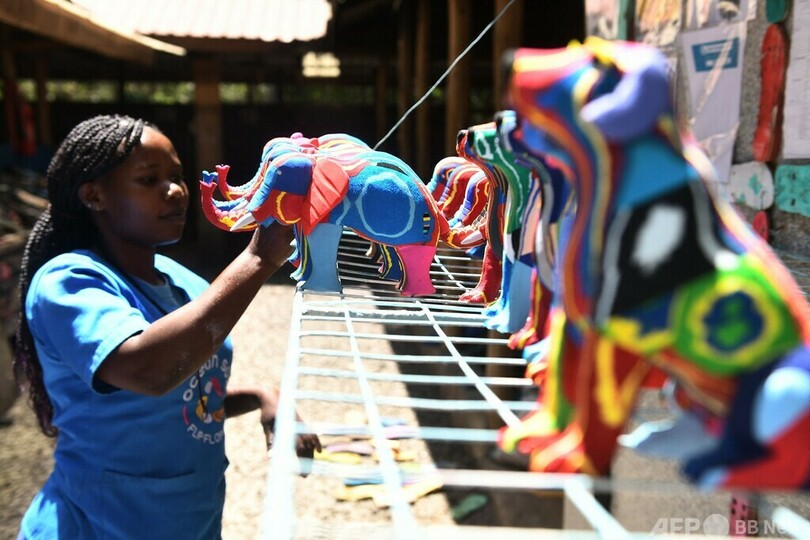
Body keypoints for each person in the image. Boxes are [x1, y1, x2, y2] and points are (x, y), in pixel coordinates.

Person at [13, 114, 320, 539]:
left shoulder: (182, 282)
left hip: (187, 521)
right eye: (149, 179)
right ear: (94, 195)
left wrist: (263, 396)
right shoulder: (68, 283)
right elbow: (149, 371)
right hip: (98, 525)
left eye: (176, 176)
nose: (174, 191)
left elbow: (184, 395)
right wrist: (259, 258)